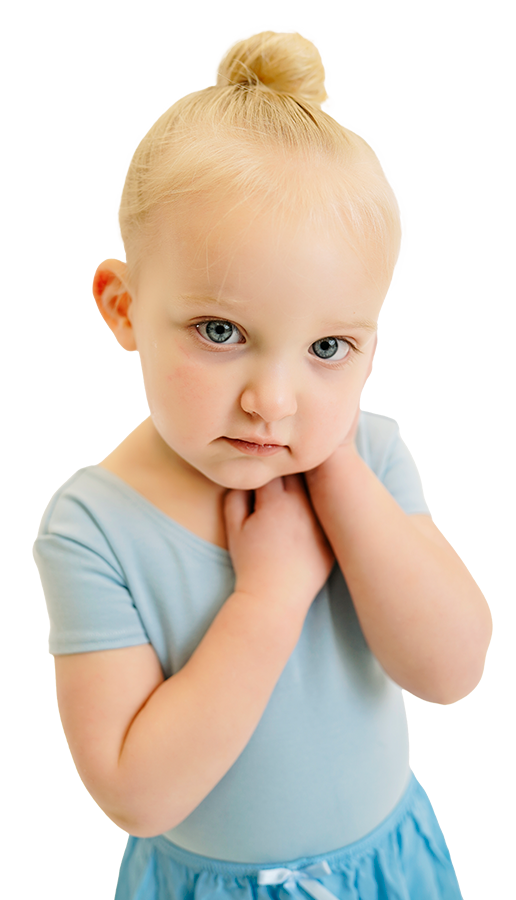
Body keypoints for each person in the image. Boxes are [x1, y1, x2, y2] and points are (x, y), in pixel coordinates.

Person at [34, 27, 491, 899]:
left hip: (389, 867)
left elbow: (451, 669)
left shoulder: (370, 456)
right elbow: (135, 792)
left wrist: (339, 476)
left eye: (328, 346)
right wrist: (270, 596)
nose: (274, 402)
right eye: (222, 333)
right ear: (124, 310)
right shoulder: (94, 526)